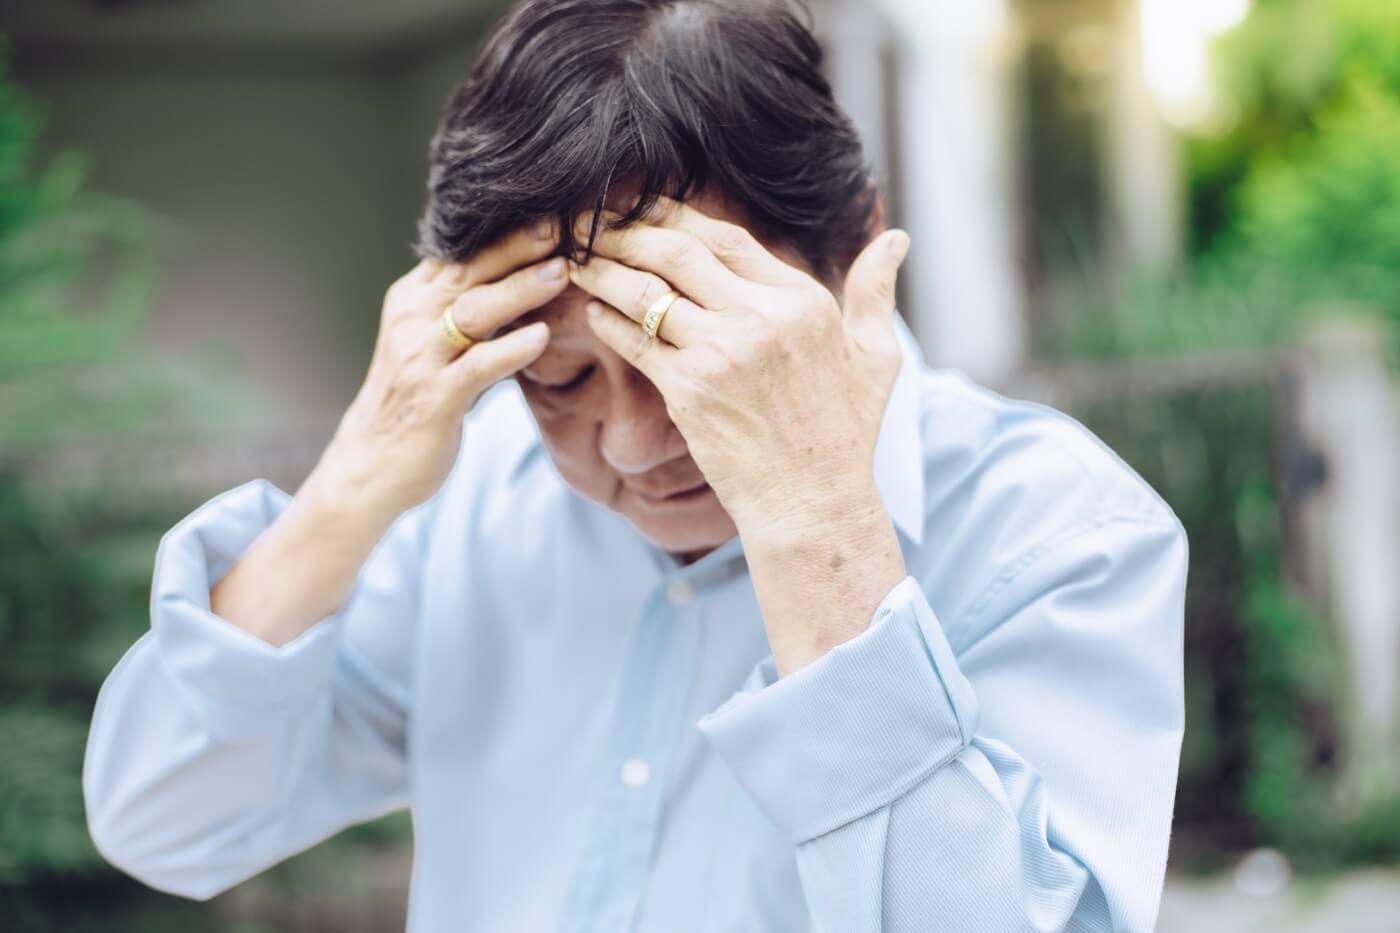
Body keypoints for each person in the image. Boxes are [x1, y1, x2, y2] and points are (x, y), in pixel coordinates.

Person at [82, 0, 1188, 930]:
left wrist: (812, 523)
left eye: (692, 360)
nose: (631, 445)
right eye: (558, 384)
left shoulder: (1062, 534)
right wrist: (355, 478)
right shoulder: (466, 511)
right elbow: (162, 819)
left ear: (854, 249)